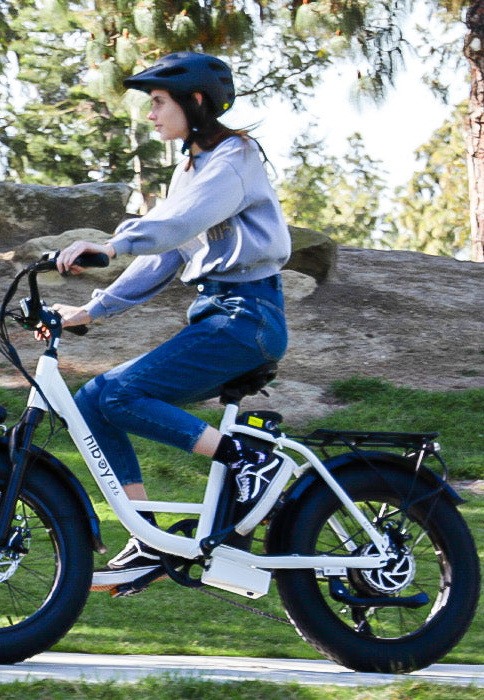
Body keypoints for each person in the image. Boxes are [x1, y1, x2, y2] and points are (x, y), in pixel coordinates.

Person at [52, 51, 292, 589]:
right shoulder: (194, 167)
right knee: (93, 401)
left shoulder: (232, 159)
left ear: (196, 102)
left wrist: (111, 245)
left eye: (159, 103)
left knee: (115, 394)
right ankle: (147, 541)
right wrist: (92, 309)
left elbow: (174, 225)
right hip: (222, 315)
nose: (151, 114)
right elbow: (168, 252)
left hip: (245, 316)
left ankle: (248, 460)